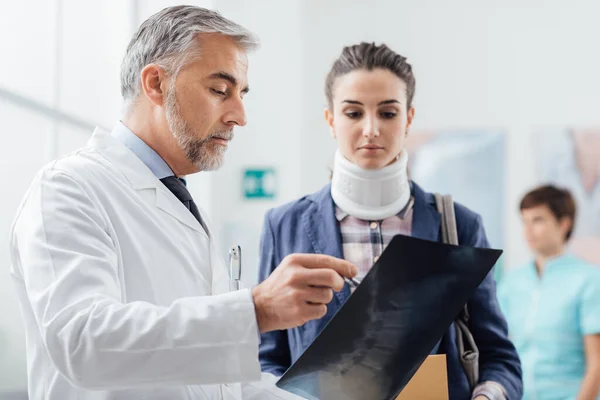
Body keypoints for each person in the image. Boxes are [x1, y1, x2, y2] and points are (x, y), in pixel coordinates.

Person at [8, 6, 358, 400]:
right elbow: (83, 342)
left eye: (241, 94)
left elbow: (224, 385)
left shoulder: (184, 207)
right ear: (156, 83)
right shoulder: (69, 188)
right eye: (220, 91)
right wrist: (255, 310)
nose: (240, 116)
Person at [257, 42, 523, 400]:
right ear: (330, 119)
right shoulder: (284, 225)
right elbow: (266, 357)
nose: (371, 130)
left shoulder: (459, 225)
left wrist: (489, 395)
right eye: (353, 113)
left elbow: (499, 356)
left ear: (408, 118)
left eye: (387, 113)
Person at [499, 185, 600, 400]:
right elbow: (500, 349)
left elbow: (597, 364)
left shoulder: (589, 280)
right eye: (524, 221)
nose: (528, 231)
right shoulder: (512, 282)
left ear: (564, 223)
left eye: (538, 220)